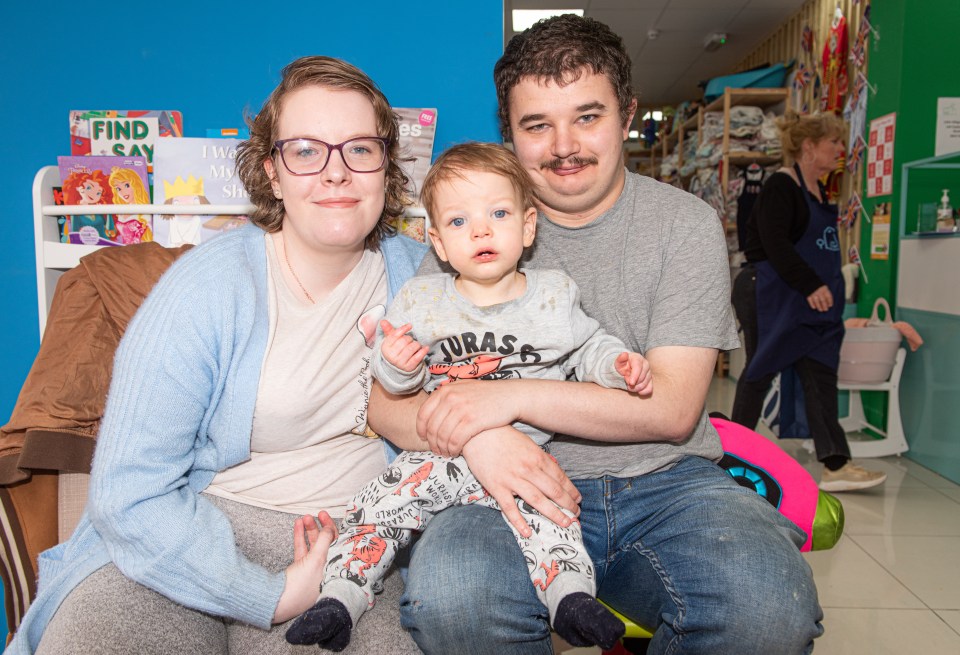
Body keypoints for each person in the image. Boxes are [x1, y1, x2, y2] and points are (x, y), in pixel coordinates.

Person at [369, 15, 825, 655]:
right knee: (452, 596)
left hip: (667, 484)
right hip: (498, 487)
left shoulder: (683, 225)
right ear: (511, 133)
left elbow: (670, 409)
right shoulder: (471, 228)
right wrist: (486, 445)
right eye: (536, 125)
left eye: (588, 116)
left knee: (767, 605)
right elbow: (386, 406)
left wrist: (508, 401)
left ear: (627, 113)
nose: (564, 145)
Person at [8, 55, 428, 655]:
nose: (336, 173)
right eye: (306, 150)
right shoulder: (207, 286)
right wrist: (270, 596)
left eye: (359, 148)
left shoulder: (427, 281)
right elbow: (130, 492)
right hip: (188, 538)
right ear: (272, 173)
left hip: (351, 561)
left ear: (386, 166)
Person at [285, 142, 652, 652]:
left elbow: (587, 346)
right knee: (377, 505)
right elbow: (390, 386)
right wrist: (396, 363)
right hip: (439, 455)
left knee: (554, 519)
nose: (480, 230)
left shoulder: (553, 294)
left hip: (524, 459)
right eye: (459, 222)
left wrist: (617, 366)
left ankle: (570, 599)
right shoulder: (422, 299)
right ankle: (341, 596)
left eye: (498, 214)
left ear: (527, 227)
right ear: (437, 241)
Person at [731, 110, 886, 493]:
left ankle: (835, 464)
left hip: (803, 298)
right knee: (760, 369)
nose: (839, 149)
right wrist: (811, 284)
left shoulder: (819, 191)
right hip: (772, 292)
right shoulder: (782, 186)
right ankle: (729, 455)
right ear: (808, 146)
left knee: (819, 373)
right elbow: (773, 242)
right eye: (832, 141)